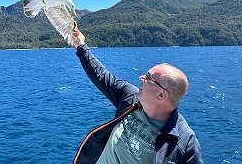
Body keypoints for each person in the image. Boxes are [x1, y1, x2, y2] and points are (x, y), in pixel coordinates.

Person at [71, 28, 203, 164]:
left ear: (161, 94)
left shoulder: (184, 141)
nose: (141, 78)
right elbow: (102, 76)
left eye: (148, 77)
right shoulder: (130, 98)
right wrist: (81, 45)